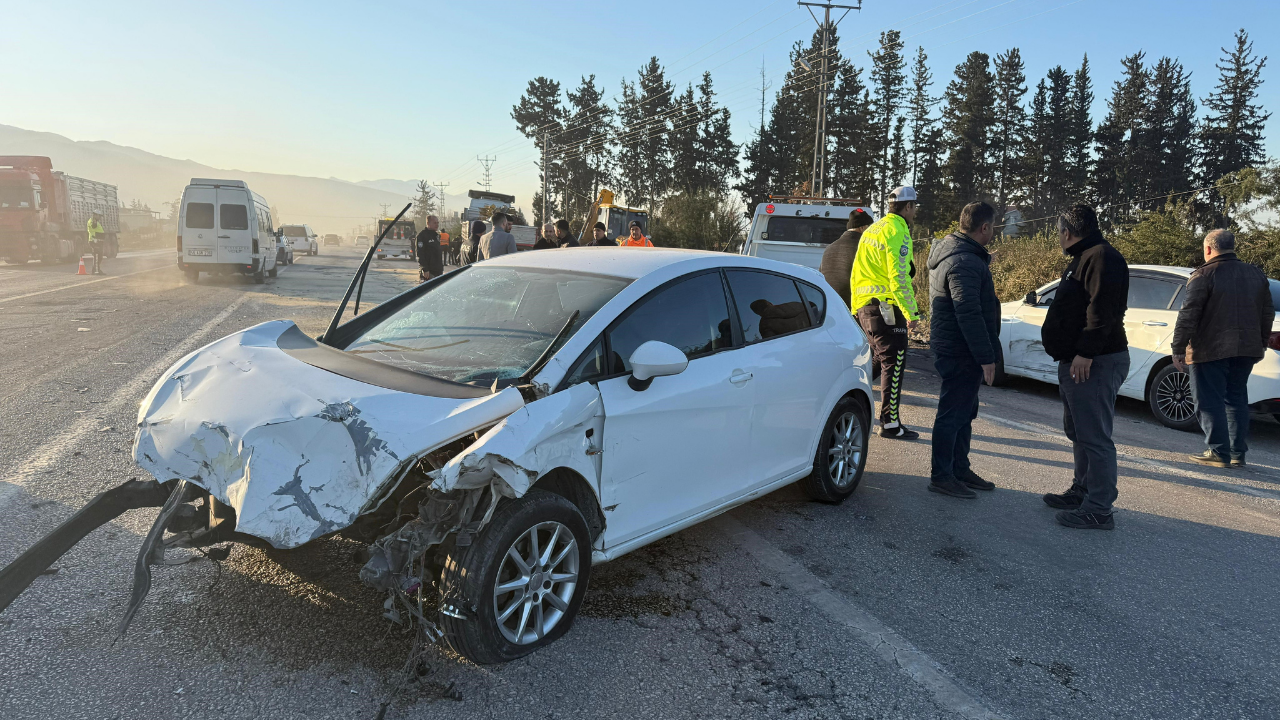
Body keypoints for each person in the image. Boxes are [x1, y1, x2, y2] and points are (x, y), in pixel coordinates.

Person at [1040, 204, 1130, 530]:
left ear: (1066, 231)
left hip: (1095, 361)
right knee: (1079, 432)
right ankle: (1083, 490)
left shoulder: (1102, 257)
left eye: (1058, 232)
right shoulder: (1084, 256)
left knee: (1094, 437)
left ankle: (1099, 509)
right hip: (1078, 360)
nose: (1058, 237)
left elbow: (1102, 310)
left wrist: (1086, 352)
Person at [1171, 229, 1274, 468]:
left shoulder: (1204, 274)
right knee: (1236, 399)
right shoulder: (1256, 274)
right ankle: (1237, 453)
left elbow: (1189, 314)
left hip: (1210, 348)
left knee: (1208, 400)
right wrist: (1261, 343)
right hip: (1247, 348)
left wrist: (1178, 347)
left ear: (1208, 249)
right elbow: (1267, 312)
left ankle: (1218, 451)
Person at [926, 201, 1001, 499]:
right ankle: (942, 476)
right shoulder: (965, 262)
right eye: (993, 227)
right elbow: (968, 312)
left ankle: (959, 468)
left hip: (957, 346)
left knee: (965, 411)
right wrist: (986, 357)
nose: (994, 232)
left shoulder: (959, 254)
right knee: (953, 413)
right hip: (960, 350)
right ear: (984, 227)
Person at [849, 186, 922, 439]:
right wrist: (912, 312)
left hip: (864, 306)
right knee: (894, 359)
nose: (915, 212)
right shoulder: (897, 230)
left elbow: (857, 271)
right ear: (908, 206)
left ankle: (842, 399)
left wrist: (855, 308)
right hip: (885, 306)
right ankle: (890, 423)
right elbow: (899, 277)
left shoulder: (873, 229)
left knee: (878, 360)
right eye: (915, 207)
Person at [819, 208, 875, 309]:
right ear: (862, 228)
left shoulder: (829, 248)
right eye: (870, 228)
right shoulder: (864, 248)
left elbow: (820, 276)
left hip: (829, 305)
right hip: (852, 308)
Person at [415, 214, 444, 282]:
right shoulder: (422, 236)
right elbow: (420, 254)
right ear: (428, 223)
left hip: (438, 271)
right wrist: (425, 269)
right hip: (429, 272)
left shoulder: (436, 236)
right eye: (434, 223)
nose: (437, 225)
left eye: (437, 223)